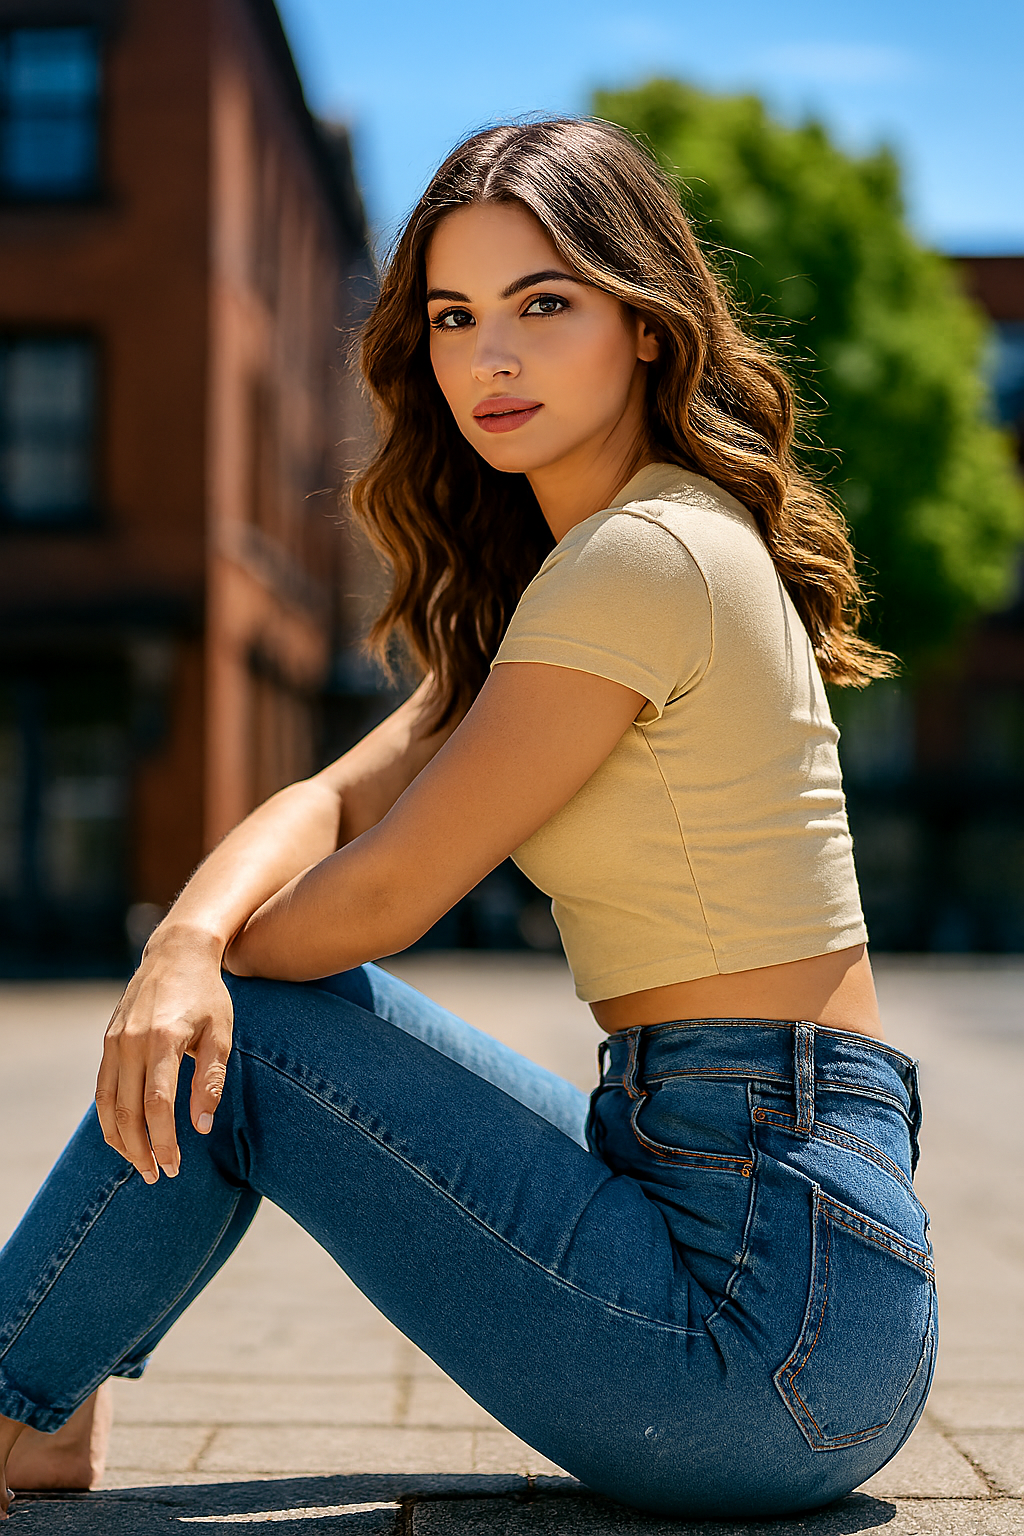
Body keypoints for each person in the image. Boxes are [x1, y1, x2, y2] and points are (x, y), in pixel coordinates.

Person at [0, 119, 936, 1521]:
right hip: (800, 1278)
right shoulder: (587, 573)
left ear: (643, 323)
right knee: (225, 1003)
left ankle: (16, 1395)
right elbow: (323, 798)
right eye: (454, 317)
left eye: (543, 304)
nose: (489, 358)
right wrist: (187, 938)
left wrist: (199, 977)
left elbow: (370, 903)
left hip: (760, 1322)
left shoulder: (640, 560)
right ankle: (37, 1408)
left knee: (251, 1030)